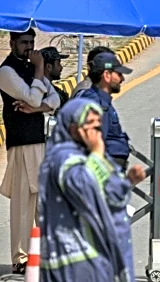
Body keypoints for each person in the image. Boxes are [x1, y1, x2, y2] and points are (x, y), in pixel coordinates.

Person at [38, 97, 145, 282]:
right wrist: (96, 153)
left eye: (98, 125)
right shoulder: (62, 159)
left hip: (97, 257)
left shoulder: (89, 155)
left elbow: (110, 195)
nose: (96, 131)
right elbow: (84, 188)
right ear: (73, 128)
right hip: (73, 262)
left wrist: (127, 181)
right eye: (90, 124)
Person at [0, 28, 62, 274]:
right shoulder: (7, 71)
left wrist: (36, 109)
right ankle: (21, 258)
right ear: (12, 42)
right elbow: (37, 98)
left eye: (32, 43)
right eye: (24, 42)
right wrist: (39, 72)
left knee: (42, 202)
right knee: (23, 203)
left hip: (39, 142)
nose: (29, 47)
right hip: (21, 143)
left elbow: (54, 100)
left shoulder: (30, 69)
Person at [73, 50, 133, 169]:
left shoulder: (101, 100)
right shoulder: (96, 103)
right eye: (119, 74)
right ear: (107, 75)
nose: (122, 79)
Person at [41, 46, 69, 113]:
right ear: (49, 67)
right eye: (58, 63)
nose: (61, 68)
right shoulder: (42, 91)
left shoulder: (51, 88)